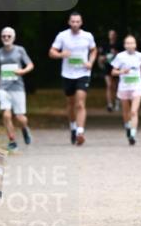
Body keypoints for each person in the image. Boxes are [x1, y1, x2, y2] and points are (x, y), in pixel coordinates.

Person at [49, 12, 97, 146]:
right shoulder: (62, 36)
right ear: (69, 23)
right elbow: (51, 52)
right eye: (73, 21)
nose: (75, 24)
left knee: (80, 103)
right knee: (70, 104)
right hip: (67, 74)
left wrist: (90, 62)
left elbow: (94, 50)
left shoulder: (87, 36)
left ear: (81, 23)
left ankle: (80, 132)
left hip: (83, 73)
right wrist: (60, 54)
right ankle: (73, 127)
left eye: (77, 21)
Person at [0, 27, 34, 150]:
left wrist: (22, 71)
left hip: (17, 87)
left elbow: (30, 65)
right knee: (6, 115)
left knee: (20, 117)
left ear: (13, 38)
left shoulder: (20, 50)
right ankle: (12, 140)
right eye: (4, 36)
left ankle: (25, 128)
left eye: (9, 36)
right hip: (3, 88)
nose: (6, 38)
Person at [110, 34, 141, 146]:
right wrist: (121, 72)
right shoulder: (120, 56)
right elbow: (113, 72)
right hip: (124, 87)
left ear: (135, 45)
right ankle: (127, 127)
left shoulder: (140, 56)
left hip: (136, 87)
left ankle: (132, 134)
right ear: (125, 45)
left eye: (132, 43)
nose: (130, 45)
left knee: (134, 111)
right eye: (128, 43)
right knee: (126, 112)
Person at [98, 29, 123, 112]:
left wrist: (116, 53)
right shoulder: (105, 45)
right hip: (107, 67)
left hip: (116, 68)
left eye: (113, 34)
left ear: (115, 36)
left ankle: (117, 102)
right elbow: (100, 58)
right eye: (110, 34)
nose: (112, 36)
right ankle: (109, 104)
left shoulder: (119, 45)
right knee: (109, 85)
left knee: (116, 86)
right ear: (108, 36)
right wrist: (104, 58)